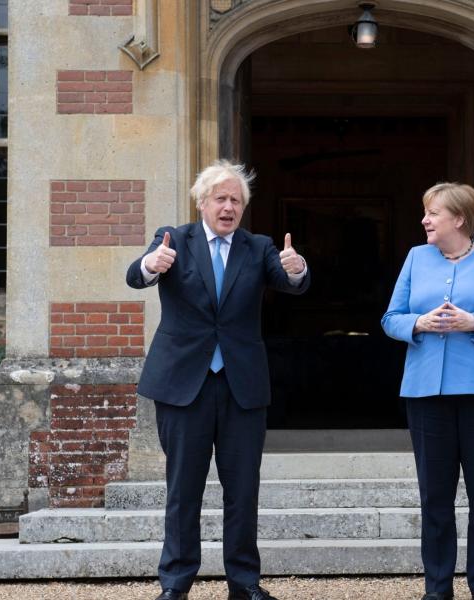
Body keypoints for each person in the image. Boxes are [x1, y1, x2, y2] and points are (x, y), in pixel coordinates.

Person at [126, 160, 309, 600]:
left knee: (242, 491)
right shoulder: (175, 238)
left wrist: (297, 267)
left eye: (236, 201)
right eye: (221, 198)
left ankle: (244, 583)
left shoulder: (258, 246)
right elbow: (136, 276)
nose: (228, 207)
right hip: (182, 385)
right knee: (183, 490)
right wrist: (152, 262)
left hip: (241, 387)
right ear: (202, 201)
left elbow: (292, 283)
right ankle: (175, 583)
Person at [381, 182, 474, 600]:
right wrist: (418, 323)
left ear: (459, 219)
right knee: (435, 498)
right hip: (426, 392)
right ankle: (437, 589)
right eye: (425, 212)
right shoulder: (416, 258)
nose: (425, 220)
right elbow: (390, 318)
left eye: (433, 213)